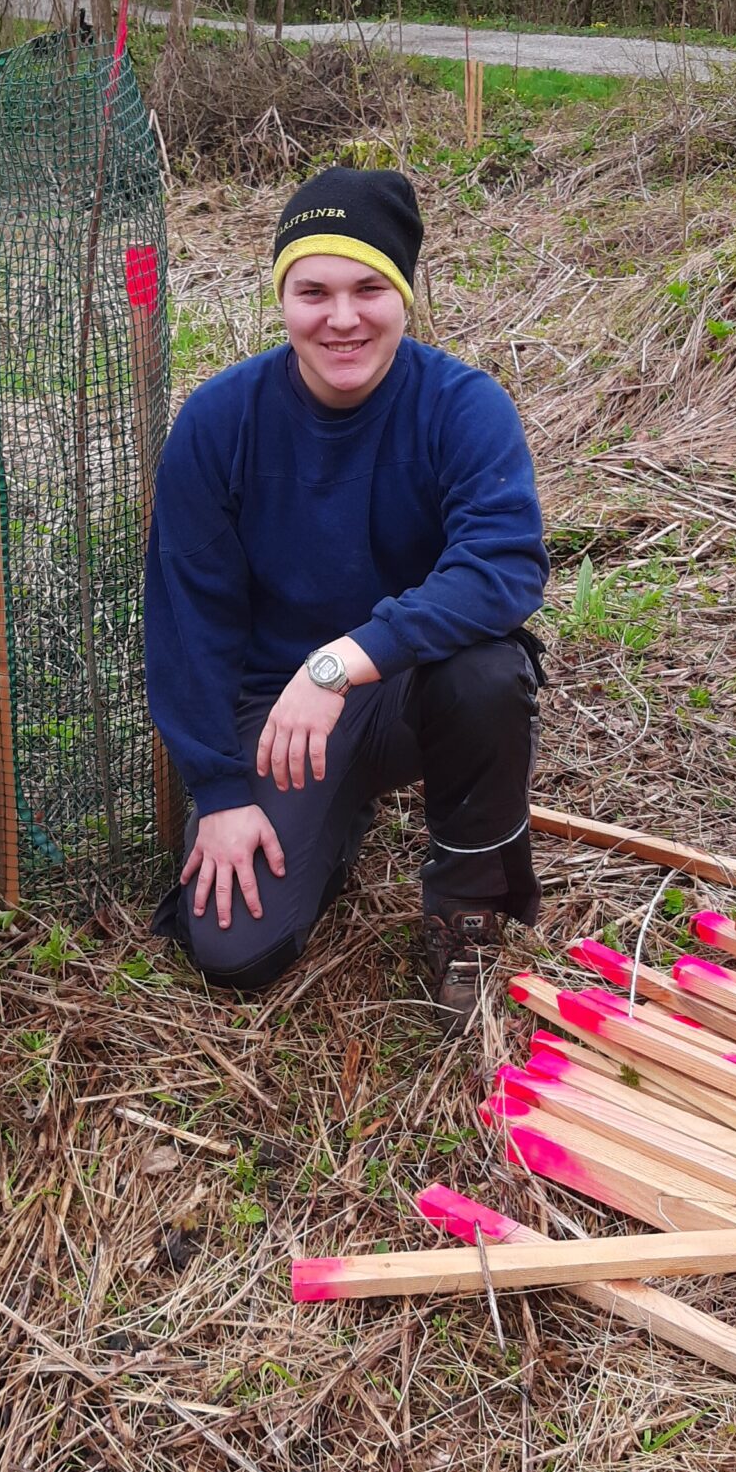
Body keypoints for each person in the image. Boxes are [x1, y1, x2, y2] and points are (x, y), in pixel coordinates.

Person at [144, 166, 549, 1017]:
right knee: (233, 949)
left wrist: (341, 661)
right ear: (281, 300)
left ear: (405, 295)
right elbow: (188, 621)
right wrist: (220, 792)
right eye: (313, 292)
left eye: (369, 289)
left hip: (407, 685)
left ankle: (466, 907)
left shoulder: (463, 406)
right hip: (274, 716)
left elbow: (504, 565)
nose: (341, 318)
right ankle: (332, 817)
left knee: (487, 672)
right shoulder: (219, 423)